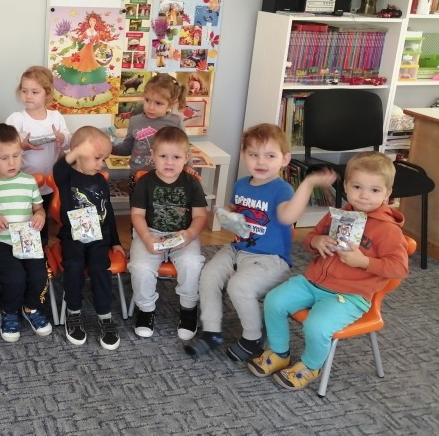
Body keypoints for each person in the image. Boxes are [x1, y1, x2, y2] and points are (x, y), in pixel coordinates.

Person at [247, 151, 410, 390]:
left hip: (350, 296)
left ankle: (310, 366)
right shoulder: (338, 215)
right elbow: (309, 238)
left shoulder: (389, 230)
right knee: (274, 301)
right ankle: (279, 352)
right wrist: (317, 241)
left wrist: (364, 262)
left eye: (375, 190)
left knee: (316, 326)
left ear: (387, 194)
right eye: (357, 187)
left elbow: (399, 268)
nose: (364, 195)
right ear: (345, 186)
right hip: (312, 281)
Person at [185, 123, 337, 361]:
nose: (261, 162)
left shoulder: (282, 189)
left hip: (270, 259)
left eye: (270, 156)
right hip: (237, 248)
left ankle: (253, 337)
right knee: (209, 275)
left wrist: (307, 185)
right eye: (253, 154)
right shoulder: (241, 184)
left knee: (239, 286)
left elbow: (288, 217)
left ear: (285, 159)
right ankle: (211, 331)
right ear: (243, 155)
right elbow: (236, 210)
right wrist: (227, 213)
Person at [0, 123, 52, 342]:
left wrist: (40, 215)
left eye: (16, 155)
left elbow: (39, 208)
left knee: (39, 274)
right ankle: (8, 311)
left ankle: (31, 307)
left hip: (27, 240)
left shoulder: (28, 181)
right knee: (15, 276)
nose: (12, 162)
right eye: (4, 157)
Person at [128, 126, 207, 341]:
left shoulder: (192, 183)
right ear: (152, 155)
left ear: (186, 158)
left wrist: (189, 234)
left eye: (176, 157)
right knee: (140, 267)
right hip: (150, 232)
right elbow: (137, 215)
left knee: (192, 264)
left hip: (184, 234)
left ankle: (189, 308)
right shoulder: (145, 182)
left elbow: (201, 216)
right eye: (163, 156)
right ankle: (146, 309)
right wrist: (146, 238)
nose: (169, 162)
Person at [54, 125, 124, 349]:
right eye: (96, 158)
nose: (101, 164)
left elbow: (108, 211)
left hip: (99, 236)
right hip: (73, 235)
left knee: (99, 267)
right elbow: (58, 168)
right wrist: (75, 152)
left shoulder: (101, 180)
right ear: (78, 152)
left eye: (103, 159)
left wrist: (116, 241)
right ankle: (73, 312)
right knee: (74, 265)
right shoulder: (67, 177)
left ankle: (104, 315)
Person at [5, 65, 71, 245]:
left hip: (49, 182)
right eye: (24, 91)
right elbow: (6, 147)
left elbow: (67, 143)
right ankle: (22, 245)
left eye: (34, 92)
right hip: (24, 181)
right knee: (24, 217)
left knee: (42, 215)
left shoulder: (56, 117)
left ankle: (41, 245)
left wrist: (61, 137)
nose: (28, 96)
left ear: (47, 94)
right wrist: (22, 145)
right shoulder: (17, 119)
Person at [111, 73, 187, 193]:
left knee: (159, 205)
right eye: (147, 100)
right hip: (137, 176)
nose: (150, 107)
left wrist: (189, 167)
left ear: (171, 103)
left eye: (158, 103)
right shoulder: (135, 121)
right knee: (137, 204)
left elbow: (185, 148)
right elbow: (127, 148)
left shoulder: (176, 122)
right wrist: (109, 148)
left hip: (166, 177)